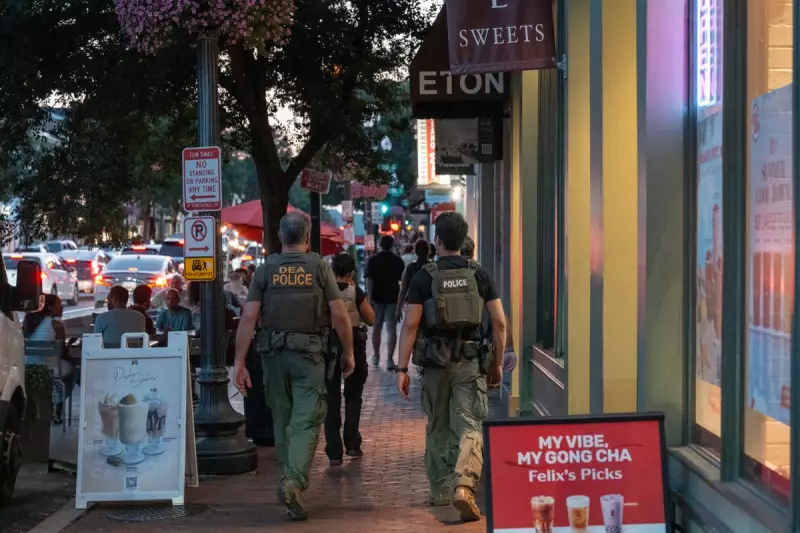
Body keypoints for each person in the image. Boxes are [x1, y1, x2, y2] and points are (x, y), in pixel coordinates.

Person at [233, 211, 355, 521]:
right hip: (308, 356)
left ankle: (286, 479)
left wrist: (239, 362)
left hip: (272, 356)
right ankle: (294, 480)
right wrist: (348, 352)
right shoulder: (319, 268)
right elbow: (340, 315)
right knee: (307, 420)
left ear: (279, 237)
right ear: (307, 236)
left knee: (281, 419)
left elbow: (248, 318)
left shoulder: (265, 270)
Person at [396, 211, 507, 521]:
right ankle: (464, 484)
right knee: (470, 423)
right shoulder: (480, 274)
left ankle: (441, 489)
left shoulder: (423, 277)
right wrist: (496, 365)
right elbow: (499, 323)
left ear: (438, 241)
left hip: (433, 364)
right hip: (470, 362)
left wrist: (401, 368)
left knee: (438, 424)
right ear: (463, 240)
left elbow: (410, 325)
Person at [325, 253, 374, 466]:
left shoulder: (325, 291)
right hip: (355, 345)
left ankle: (334, 450)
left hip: (329, 346)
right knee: (353, 396)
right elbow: (371, 319)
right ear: (352, 272)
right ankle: (352, 444)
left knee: (331, 397)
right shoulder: (357, 292)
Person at [22, 294, 75, 423]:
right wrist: (69, 344)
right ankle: (59, 402)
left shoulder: (28, 322)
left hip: (30, 367)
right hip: (52, 368)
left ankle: (51, 401)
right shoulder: (56, 325)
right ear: (50, 307)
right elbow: (62, 352)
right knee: (73, 370)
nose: (62, 307)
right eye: (59, 304)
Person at [364, 234, 405, 370]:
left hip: (377, 299)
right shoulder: (398, 261)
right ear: (392, 245)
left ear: (380, 244)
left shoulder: (373, 260)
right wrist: (401, 301)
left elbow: (369, 280)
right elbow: (402, 282)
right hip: (393, 298)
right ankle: (389, 359)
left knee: (377, 327)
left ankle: (376, 355)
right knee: (391, 329)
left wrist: (369, 299)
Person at [396, 239, 431, 319]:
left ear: (415, 251)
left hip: (413, 304)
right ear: (428, 251)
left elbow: (403, 291)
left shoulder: (410, 268)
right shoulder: (434, 267)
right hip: (431, 304)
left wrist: (398, 309)